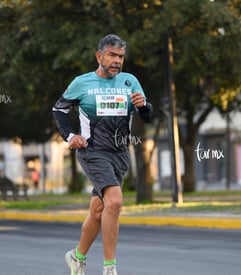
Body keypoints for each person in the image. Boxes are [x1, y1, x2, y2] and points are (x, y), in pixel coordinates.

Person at [52, 34, 153, 275]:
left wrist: (143, 107)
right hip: (92, 151)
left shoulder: (130, 81)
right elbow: (59, 110)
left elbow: (148, 116)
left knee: (98, 211)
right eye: (112, 55)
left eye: (121, 57)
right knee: (115, 201)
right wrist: (70, 136)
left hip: (120, 154)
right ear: (99, 56)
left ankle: (76, 257)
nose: (117, 61)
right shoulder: (82, 83)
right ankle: (110, 268)